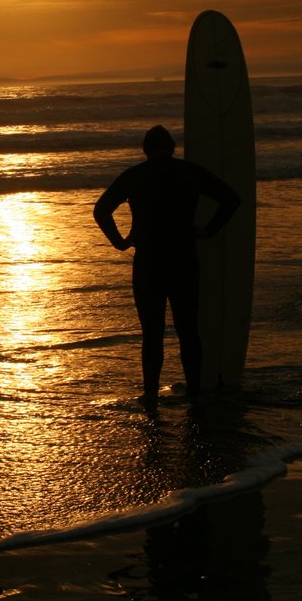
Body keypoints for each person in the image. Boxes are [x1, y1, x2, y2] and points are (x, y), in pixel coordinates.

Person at [93, 124, 240, 405]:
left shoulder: (134, 175)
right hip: (184, 258)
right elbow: (232, 200)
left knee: (152, 333)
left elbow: (101, 210)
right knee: (188, 330)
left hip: (149, 261)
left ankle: (150, 394)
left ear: (145, 150)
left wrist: (120, 241)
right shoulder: (191, 172)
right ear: (173, 147)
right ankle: (195, 393)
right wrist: (208, 230)